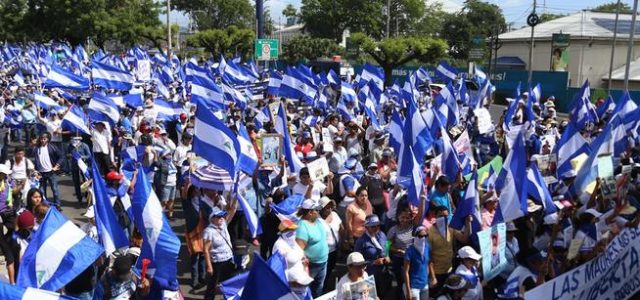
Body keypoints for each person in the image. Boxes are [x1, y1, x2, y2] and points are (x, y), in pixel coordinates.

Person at [295, 199, 329, 297]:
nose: (319, 212)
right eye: (316, 210)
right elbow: (299, 250)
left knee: (318, 288)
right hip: (312, 266)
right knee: (307, 290)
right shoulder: (302, 227)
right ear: (310, 212)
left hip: (323, 262)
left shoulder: (317, 221)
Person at [203, 205, 237, 300]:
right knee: (212, 286)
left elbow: (233, 209)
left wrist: (236, 195)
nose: (221, 218)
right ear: (212, 218)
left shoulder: (224, 224)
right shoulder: (208, 231)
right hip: (217, 262)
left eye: (222, 216)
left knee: (229, 283)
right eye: (218, 216)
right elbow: (205, 250)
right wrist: (209, 266)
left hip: (229, 260)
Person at [355, 214, 390, 298]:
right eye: (373, 226)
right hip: (370, 275)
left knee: (385, 293)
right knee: (372, 296)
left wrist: (387, 255)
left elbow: (387, 244)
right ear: (366, 227)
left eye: (378, 225)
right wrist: (373, 262)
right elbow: (357, 262)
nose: (377, 228)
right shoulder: (361, 241)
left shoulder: (382, 234)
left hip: (383, 272)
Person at [32, 133, 63, 210]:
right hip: (41, 173)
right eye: (41, 139)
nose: (42, 140)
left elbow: (61, 157)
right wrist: (35, 171)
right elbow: (34, 159)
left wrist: (56, 166)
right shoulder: (36, 148)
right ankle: (44, 205)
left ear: (48, 139)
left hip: (51, 172)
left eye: (44, 139)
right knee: (42, 191)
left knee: (55, 189)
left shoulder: (52, 147)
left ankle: (57, 205)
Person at [319, 196, 343, 290]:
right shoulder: (318, 220)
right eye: (327, 207)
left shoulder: (335, 215)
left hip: (334, 250)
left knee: (329, 271)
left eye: (331, 207)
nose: (329, 209)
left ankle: (325, 287)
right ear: (321, 209)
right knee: (323, 274)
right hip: (324, 253)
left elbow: (341, 228)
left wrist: (342, 241)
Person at [403, 226, 431, 300]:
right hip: (414, 287)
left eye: (426, 236)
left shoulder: (427, 247)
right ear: (415, 236)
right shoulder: (409, 251)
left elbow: (428, 263)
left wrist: (429, 279)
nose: (423, 238)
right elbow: (405, 272)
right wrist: (408, 291)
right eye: (421, 236)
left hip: (425, 285)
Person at [67, 136, 91, 203]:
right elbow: (67, 154)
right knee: (76, 182)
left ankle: (87, 195)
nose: (73, 140)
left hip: (83, 166)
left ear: (79, 139)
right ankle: (79, 198)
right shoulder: (70, 146)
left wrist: (81, 157)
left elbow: (89, 155)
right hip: (74, 166)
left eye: (75, 139)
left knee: (86, 181)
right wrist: (71, 155)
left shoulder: (84, 146)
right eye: (72, 139)